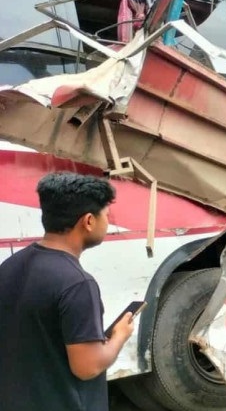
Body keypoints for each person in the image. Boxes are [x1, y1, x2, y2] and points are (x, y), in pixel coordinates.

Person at [0, 172, 135, 411]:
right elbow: (87, 367)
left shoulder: (10, 266)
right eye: (106, 214)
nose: (108, 222)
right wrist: (119, 337)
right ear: (89, 221)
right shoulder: (78, 284)